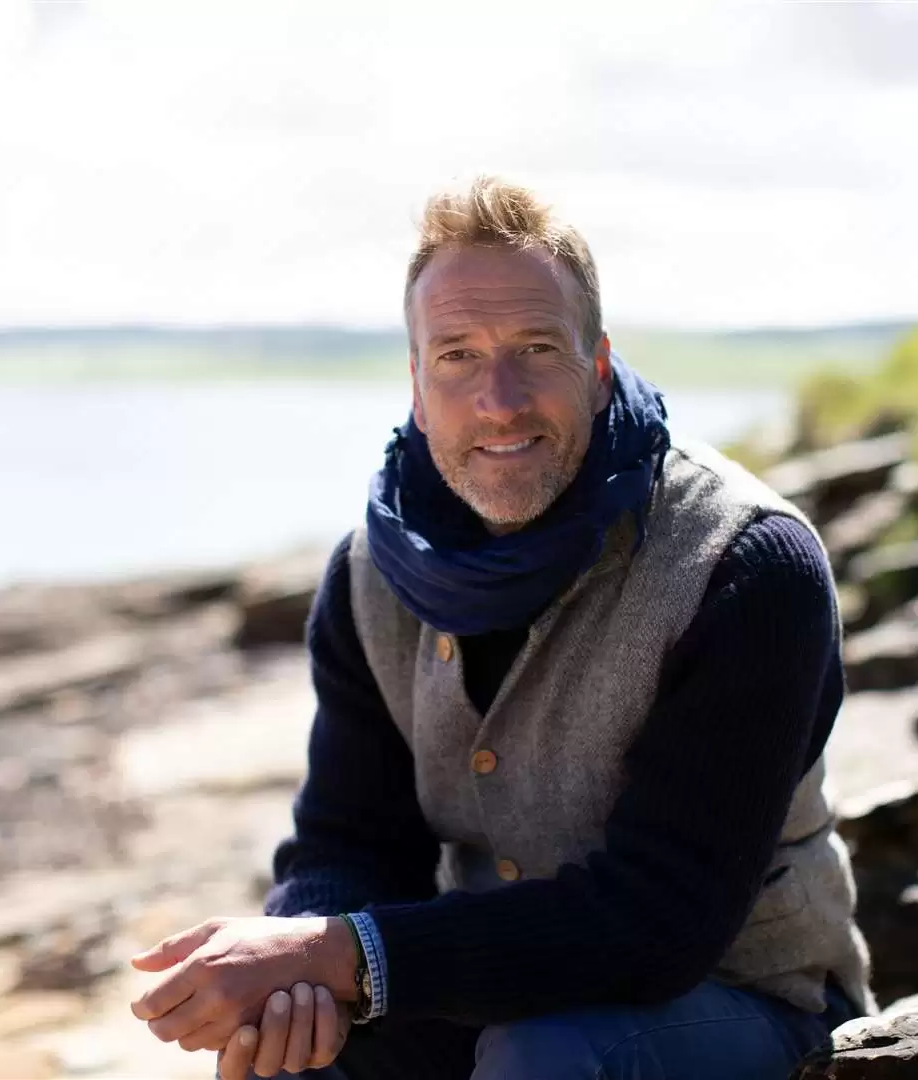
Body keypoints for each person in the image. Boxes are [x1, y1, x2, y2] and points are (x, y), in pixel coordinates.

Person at [129, 176, 874, 1079]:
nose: (500, 399)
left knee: (540, 1059)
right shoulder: (369, 573)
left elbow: (660, 921)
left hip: (745, 1001)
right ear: (415, 379)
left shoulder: (746, 566)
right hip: (483, 997)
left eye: (535, 348)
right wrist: (303, 976)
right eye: (457, 356)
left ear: (595, 367)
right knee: (291, 1054)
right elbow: (351, 837)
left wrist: (346, 956)